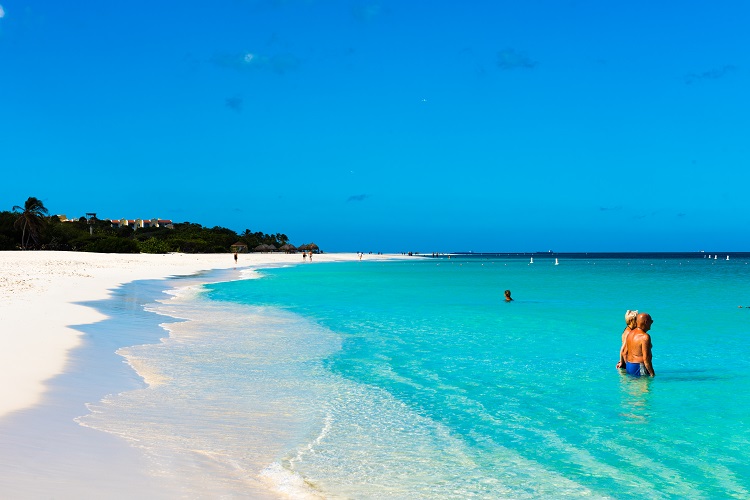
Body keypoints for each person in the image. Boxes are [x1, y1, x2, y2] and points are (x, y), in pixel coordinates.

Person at [622, 313, 655, 377]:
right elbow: (646, 359)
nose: (652, 323)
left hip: (629, 366)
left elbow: (624, 352)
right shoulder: (645, 337)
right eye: (651, 321)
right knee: (645, 386)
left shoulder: (630, 333)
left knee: (633, 386)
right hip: (639, 367)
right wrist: (652, 374)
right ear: (646, 322)